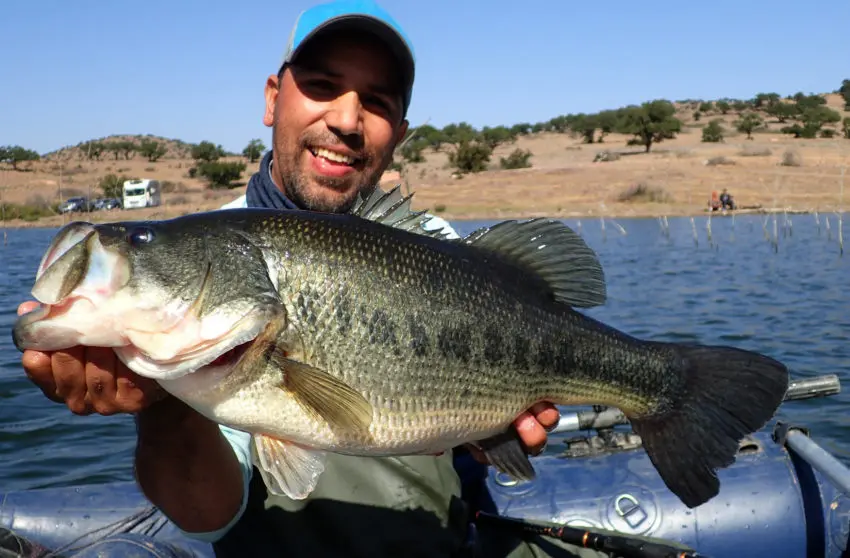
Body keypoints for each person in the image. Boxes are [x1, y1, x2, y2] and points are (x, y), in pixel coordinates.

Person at [17, 2, 697, 557]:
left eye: (374, 100)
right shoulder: (219, 246)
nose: (345, 118)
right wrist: (162, 408)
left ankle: (666, 384)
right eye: (320, 85)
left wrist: (494, 438)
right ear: (272, 97)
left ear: (399, 131)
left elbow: (490, 416)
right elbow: (206, 516)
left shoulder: (436, 248)